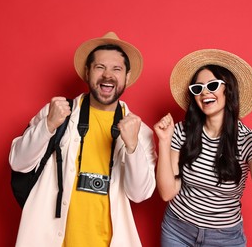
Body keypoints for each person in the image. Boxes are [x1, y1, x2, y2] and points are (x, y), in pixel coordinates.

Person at [9, 31, 157, 247]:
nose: (108, 75)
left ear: (127, 76)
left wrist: (133, 147)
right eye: (100, 67)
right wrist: (48, 125)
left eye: (117, 69)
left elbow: (140, 194)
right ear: (87, 72)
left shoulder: (140, 131)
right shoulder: (58, 113)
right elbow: (18, 162)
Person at [153, 49, 252, 246]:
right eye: (198, 88)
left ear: (227, 90)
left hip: (224, 238)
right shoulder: (180, 131)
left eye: (212, 85)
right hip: (177, 230)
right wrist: (164, 141)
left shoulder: (247, 140)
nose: (205, 93)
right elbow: (167, 193)